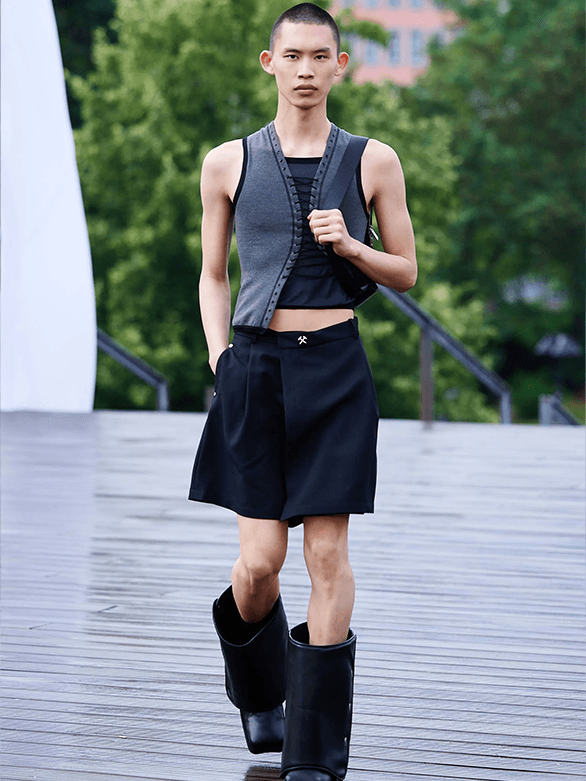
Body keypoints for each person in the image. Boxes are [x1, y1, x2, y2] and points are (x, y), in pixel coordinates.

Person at [188, 4, 417, 779]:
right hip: (254, 368)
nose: (307, 69)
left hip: (336, 372)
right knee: (259, 561)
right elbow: (212, 275)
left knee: (326, 551)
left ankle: (314, 754)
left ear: (341, 65)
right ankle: (258, 690)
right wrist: (220, 357)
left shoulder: (373, 160)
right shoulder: (226, 163)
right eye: (294, 55)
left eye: (322, 55)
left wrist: (352, 244)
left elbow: (406, 270)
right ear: (270, 63)